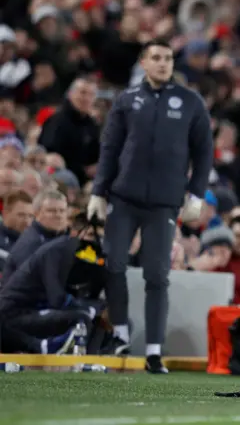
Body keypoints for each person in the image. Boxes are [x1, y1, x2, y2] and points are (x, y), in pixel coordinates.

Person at [87, 39, 213, 373]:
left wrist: (197, 195)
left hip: (164, 204)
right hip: (123, 198)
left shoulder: (190, 102)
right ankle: (121, 336)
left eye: (168, 58)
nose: (163, 63)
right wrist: (98, 192)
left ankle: (154, 351)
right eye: (156, 58)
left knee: (156, 275)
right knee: (113, 266)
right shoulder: (126, 100)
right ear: (143, 62)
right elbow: (110, 148)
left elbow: (204, 153)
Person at [0, 214, 103, 354]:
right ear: (75, 232)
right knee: (82, 318)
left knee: (97, 318)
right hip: (15, 313)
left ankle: (90, 360)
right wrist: (88, 308)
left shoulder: (79, 255)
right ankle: (49, 350)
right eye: (91, 235)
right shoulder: (57, 250)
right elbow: (56, 298)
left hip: (31, 309)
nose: (95, 241)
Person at [2, 189, 68, 284]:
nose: (58, 215)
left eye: (62, 211)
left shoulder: (59, 237)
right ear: (37, 213)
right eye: (51, 211)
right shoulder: (31, 243)